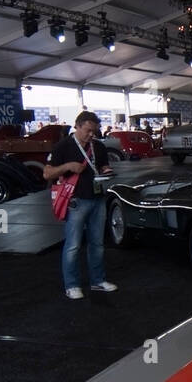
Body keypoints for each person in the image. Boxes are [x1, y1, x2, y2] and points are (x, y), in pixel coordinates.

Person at [44, 111, 117, 301]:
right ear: (77, 126)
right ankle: (72, 284)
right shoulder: (63, 146)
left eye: (94, 131)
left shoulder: (98, 146)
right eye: (87, 130)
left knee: (97, 243)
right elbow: (47, 174)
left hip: (97, 198)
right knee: (73, 245)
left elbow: (102, 165)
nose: (91, 135)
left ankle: (98, 280)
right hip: (75, 201)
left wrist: (106, 170)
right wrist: (67, 166)